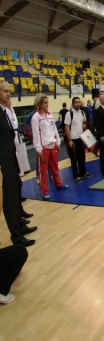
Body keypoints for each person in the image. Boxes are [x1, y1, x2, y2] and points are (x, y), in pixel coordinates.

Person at [0, 81, 35, 246]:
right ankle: (16, 236)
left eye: (9, 91)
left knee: (15, 196)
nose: (8, 94)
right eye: (5, 91)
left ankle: (21, 226)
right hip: (4, 164)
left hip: (11, 160)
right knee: (10, 202)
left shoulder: (5, 111)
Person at [32, 94, 68, 199]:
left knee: (55, 167)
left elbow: (54, 129)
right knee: (43, 171)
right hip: (43, 147)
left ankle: (59, 184)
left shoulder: (50, 114)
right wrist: (39, 149)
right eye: (45, 103)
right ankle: (44, 191)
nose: (47, 105)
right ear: (39, 104)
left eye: (47, 102)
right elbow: (36, 134)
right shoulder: (36, 117)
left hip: (53, 145)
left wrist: (58, 142)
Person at [64, 97, 90, 183]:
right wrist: (69, 140)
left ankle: (83, 172)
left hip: (81, 138)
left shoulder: (82, 112)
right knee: (74, 158)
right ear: (73, 104)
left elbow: (84, 123)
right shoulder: (69, 114)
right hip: (73, 139)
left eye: (79, 102)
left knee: (82, 157)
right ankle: (76, 175)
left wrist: (85, 126)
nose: (78, 104)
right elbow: (67, 127)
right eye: (76, 102)